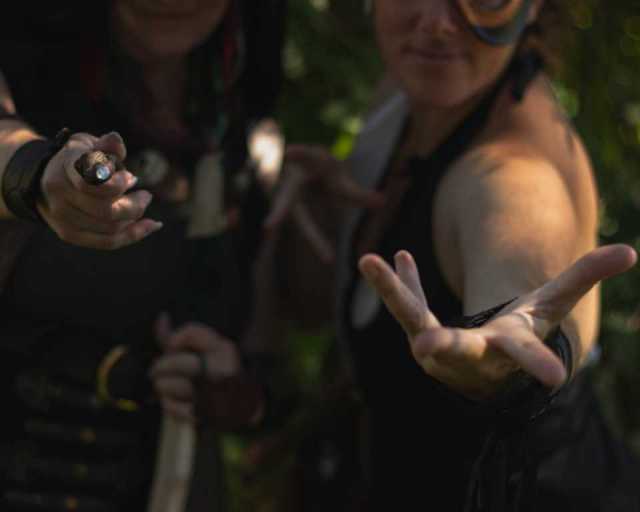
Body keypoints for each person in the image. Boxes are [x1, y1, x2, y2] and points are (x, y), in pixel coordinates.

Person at [271, 1, 640, 510]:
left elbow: (522, 258)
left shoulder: (513, 174)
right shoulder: (411, 93)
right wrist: (317, 209)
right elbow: (312, 307)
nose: (437, 23)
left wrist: (504, 351)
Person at [0, 0, 285, 510]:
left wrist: (231, 390)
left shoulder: (237, 115)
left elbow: (261, 357)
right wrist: (40, 172)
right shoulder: (22, 59)